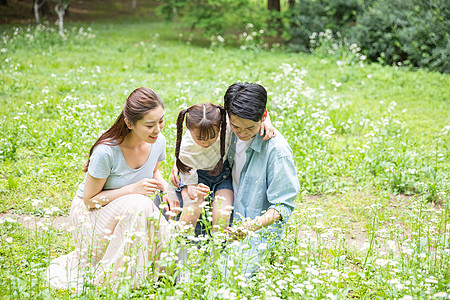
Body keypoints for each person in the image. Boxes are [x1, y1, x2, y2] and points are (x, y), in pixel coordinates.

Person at [46, 87, 179, 291]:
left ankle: (167, 271)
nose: (158, 129)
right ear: (129, 123)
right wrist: (133, 189)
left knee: (143, 206)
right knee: (141, 203)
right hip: (92, 215)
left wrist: (165, 187)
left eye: (161, 121)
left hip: (131, 210)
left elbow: (153, 172)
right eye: (150, 125)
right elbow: (89, 200)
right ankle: (123, 283)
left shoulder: (157, 141)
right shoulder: (106, 152)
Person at [220, 82, 300, 277]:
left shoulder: (277, 151)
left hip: (255, 228)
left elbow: (283, 205)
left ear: (263, 117)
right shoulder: (227, 130)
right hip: (224, 214)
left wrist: (250, 226)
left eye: (250, 128)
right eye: (236, 126)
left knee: (230, 275)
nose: (242, 133)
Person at [169, 104, 276, 235]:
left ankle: (218, 250)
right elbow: (191, 188)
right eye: (200, 138)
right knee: (192, 210)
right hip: (197, 177)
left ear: (220, 125)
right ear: (189, 130)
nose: (206, 142)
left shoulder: (226, 125)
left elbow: (251, 110)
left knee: (222, 213)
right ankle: (179, 247)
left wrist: (266, 121)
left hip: (222, 176)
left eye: (213, 136)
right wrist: (197, 191)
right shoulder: (186, 148)